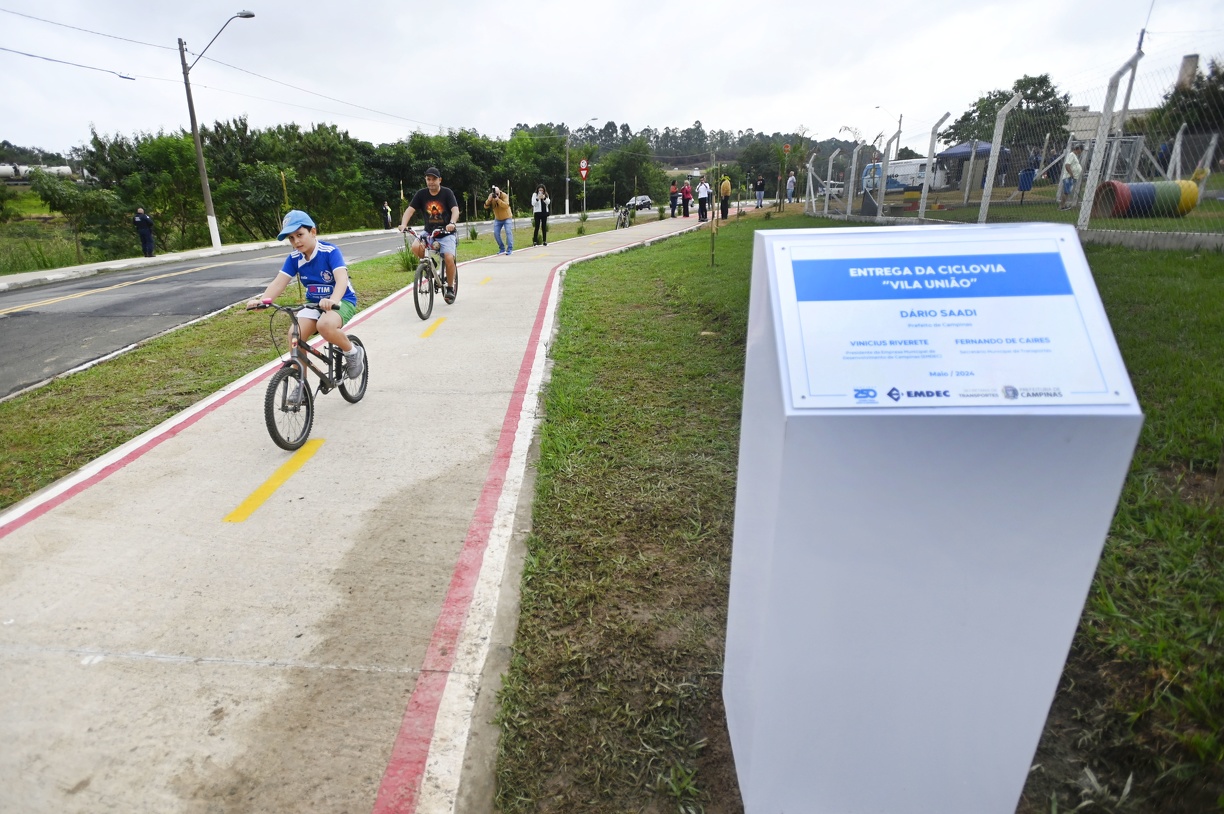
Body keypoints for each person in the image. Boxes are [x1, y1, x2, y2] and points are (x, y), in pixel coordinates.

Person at [246, 209, 364, 386]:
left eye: (300, 234)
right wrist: (263, 301)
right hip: (314, 303)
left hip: (342, 300)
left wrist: (333, 300)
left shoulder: (330, 251)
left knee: (324, 325)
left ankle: (352, 352)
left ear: (313, 232)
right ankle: (301, 384)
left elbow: (341, 279)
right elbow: (279, 283)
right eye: (291, 238)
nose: (296, 241)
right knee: (294, 334)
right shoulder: (294, 258)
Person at [399, 167, 461, 303]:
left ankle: (450, 288)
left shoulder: (447, 193)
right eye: (428, 179)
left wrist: (452, 222)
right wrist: (403, 224)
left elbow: (455, 210)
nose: (431, 182)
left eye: (434, 179)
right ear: (425, 180)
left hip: (446, 232)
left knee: (449, 258)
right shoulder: (421, 194)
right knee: (415, 247)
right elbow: (410, 210)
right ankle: (430, 265)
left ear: (440, 180)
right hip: (429, 232)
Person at [485, 185, 514, 255]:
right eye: (495, 194)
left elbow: (506, 205)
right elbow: (485, 206)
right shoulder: (491, 196)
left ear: (499, 191)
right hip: (498, 218)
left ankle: (510, 249)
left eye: (497, 193)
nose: (496, 195)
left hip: (507, 217)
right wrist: (489, 200)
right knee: (496, 233)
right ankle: (502, 248)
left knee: (508, 232)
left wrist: (498, 200)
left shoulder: (504, 196)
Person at [1059, 144, 1083, 210]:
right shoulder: (1071, 155)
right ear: (1078, 149)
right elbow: (1067, 165)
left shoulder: (1074, 156)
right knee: (1066, 192)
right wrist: (1071, 174)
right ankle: (1062, 206)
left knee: (1067, 192)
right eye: (1081, 150)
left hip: (1072, 177)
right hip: (1069, 177)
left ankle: (1063, 205)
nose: (1081, 152)